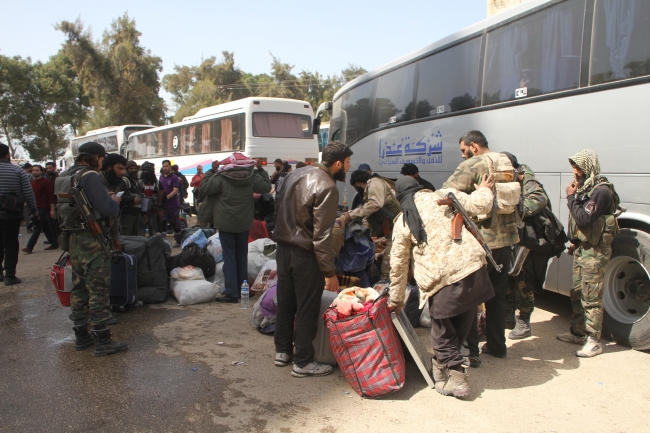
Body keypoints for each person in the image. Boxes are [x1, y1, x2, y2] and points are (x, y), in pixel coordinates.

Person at [389, 175, 495, 397]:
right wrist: (485, 189)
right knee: (462, 324)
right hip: (474, 270)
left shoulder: (403, 220)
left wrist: (396, 301)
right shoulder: (442, 195)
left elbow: (398, 265)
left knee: (443, 333)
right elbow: (481, 203)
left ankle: (457, 380)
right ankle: (439, 368)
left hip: (443, 280)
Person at [272, 142, 352, 378]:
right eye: (348, 162)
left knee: (286, 302)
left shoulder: (295, 173)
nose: (349, 167)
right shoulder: (327, 185)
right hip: (304, 255)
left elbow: (277, 208)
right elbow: (323, 236)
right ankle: (303, 362)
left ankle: (282, 351)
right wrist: (329, 273)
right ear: (338, 163)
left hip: (283, 248)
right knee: (307, 307)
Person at [442, 130, 519, 361]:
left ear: (474, 147)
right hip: (505, 242)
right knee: (497, 296)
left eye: (464, 150)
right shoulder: (505, 162)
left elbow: (446, 193)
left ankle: (471, 353)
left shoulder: (474, 164)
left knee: (471, 297)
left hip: (479, 241)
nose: (464, 156)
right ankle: (497, 345)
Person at [64, 142, 126, 356]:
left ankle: (81, 335)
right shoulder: (90, 176)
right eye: (101, 158)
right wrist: (115, 200)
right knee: (98, 288)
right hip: (93, 239)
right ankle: (102, 338)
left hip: (74, 238)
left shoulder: (66, 175)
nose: (102, 162)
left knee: (79, 286)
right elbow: (107, 209)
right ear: (94, 157)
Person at [557, 149, 619, 358]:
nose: (575, 171)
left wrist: (570, 198)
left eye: (578, 167)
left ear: (589, 166)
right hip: (583, 248)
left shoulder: (601, 191)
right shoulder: (587, 189)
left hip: (595, 252)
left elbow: (584, 219)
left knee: (591, 295)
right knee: (577, 292)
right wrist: (574, 241)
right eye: (573, 166)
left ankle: (594, 340)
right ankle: (578, 332)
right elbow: (581, 225)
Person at [199, 156, 271, 303]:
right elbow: (266, 187)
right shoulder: (250, 177)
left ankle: (232, 292)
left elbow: (204, 187)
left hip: (225, 223)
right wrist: (261, 169)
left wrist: (211, 171)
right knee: (241, 256)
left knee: (229, 257)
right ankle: (243, 291)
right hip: (244, 223)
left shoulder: (221, 177)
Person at [501, 152, 553, 340]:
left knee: (523, 280)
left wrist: (513, 210)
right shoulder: (508, 179)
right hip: (511, 237)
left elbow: (538, 200)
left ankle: (524, 321)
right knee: (507, 277)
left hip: (525, 239)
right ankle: (508, 315)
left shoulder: (528, 181)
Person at [343, 169, 401, 280]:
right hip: (392, 228)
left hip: (397, 228)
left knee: (387, 265)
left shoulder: (374, 183)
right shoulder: (372, 186)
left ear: (357, 183)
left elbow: (375, 204)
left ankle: (385, 286)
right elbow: (370, 213)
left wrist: (352, 215)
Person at [0, 143, 37, 285]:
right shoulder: (18, 171)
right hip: (10, 215)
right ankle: (10, 275)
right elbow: (28, 193)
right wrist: (34, 211)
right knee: (10, 244)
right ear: (8, 155)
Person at [22, 165, 59, 253]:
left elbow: (50, 196)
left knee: (37, 226)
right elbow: (31, 194)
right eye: (33, 170)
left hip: (44, 207)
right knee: (45, 225)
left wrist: (52, 209)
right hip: (36, 207)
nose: (35, 172)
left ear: (41, 171)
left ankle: (29, 247)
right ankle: (54, 243)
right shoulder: (33, 182)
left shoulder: (46, 182)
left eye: (37, 170)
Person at [100, 154, 127, 249]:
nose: (122, 172)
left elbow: (114, 215)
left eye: (124, 169)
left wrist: (115, 238)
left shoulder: (114, 183)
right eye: (119, 168)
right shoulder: (97, 180)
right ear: (108, 167)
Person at [160, 160, 182, 247]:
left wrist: (167, 197)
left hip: (173, 205)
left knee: (175, 223)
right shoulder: (161, 177)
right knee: (163, 222)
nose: (165, 168)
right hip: (164, 206)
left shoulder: (174, 178)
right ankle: (162, 240)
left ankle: (178, 240)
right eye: (163, 166)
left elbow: (175, 190)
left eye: (166, 166)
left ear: (170, 167)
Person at [119, 161, 143, 236]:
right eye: (131, 168)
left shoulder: (137, 182)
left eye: (135, 168)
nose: (133, 170)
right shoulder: (124, 181)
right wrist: (132, 199)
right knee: (126, 235)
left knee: (135, 236)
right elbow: (120, 197)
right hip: (126, 214)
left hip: (136, 213)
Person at [139, 162, 160, 236]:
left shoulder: (156, 182)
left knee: (153, 230)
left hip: (152, 209)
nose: (146, 173)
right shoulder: (140, 182)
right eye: (145, 171)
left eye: (148, 171)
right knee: (141, 232)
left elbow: (160, 195)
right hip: (141, 210)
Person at [22, 162, 34, 232]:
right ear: (29, 168)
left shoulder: (20, 174)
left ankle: (28, 227)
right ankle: (32, 226)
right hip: (29, 195)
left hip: (21, 196)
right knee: (32, 212)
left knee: (26, 213)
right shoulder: (30, 176)